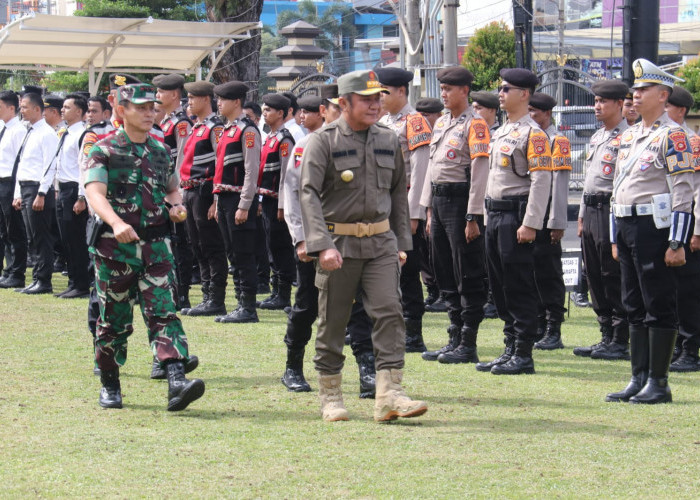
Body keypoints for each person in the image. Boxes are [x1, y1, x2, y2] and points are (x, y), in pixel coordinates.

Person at [300, 69, 427, 422]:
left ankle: (390, 393)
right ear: (344, 103)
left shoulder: (388, 139)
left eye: (378, 98)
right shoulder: (323, 141)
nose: (375, 105)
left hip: (382, 243)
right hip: (338, 243)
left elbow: (398, 193)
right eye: (367, 99)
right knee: (333, 320)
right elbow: (307, 193)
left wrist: (402, 242)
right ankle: (331, 395)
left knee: (389, 312)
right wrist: (320, 244)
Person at [84, 83, 205, 411]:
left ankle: (177, 381)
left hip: (156, 246)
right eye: (141, 108)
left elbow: (171, 187)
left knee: (164, 311)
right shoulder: (103, 149)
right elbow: (95, 193)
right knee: (114, 320)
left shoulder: (159, 148)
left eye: (152, 107)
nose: (150, 113)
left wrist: (176, 205)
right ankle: (110, 383)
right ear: (122, 110)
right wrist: (116, 222)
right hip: (115, 250)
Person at [606, 59, 694, 404]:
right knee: (633, 303)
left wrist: (677, 240)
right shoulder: (630, 135)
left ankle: (659, 381)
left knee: (658, 301)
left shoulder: (674, 136)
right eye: (635, 90)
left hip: (654, 228)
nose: (635, 95)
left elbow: (683, 191)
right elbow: (618, 187)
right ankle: (637, 376)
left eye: (643, 90)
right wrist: (615, 236)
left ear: (663, 95)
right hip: (627, 224)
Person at [476, 68, 553, 375]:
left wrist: (531, 223)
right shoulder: (502, 132)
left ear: (524, 94)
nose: (501, 94)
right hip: (495, 214)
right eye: (501, 88)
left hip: (515, 216)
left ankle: (523, 353)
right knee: (500, 284)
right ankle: (509, 348)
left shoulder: (534, 135)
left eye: (507, 89)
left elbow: (541, 181)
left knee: (518, 284)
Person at [419, 66, 490, 365]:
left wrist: (473, 216)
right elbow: (431, 169)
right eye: (442, 89)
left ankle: (468, 342)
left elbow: (479, 172)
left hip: (462, 204)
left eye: (450, 89)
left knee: (467, 273)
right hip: (440, 202)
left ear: (465, 91)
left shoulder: (476, 125)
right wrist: (428, 209)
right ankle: (453, 337)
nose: (444, 94)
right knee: (444, 270)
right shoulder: (442, 123)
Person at [573, 79, 630, 360]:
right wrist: (582, 216)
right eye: (595, 101)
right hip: (592, 210)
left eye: (603, 101)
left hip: (611, 211)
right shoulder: (597, 137)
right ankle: (605, 334)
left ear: (620, 104)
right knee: (593, 273)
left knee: (612, 273)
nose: (597, 106)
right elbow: (587, 182)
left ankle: (620, 338)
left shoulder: (627, 137)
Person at [377, 67, 431, 353]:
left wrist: (414, 214)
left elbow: (422, 170)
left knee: (408, 270)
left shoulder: (416, 122)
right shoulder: (383, 120)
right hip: (381, 206)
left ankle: (413, 333)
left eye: (385, 91)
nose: (380, 97)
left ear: (401, 91)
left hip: (404, 206)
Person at [212, 80, 261, 324]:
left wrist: (244, 204)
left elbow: (252, 171)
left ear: (236, 102)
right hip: (225, 198)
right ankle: (240, 302)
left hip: (239, 198)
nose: (218, 103)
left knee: (243, 253)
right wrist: (216, 201)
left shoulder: (247, 130)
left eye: (223, 99)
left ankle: (248, 307)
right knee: (232, 253)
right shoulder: (228, 129)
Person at [179, 80, 227, 317]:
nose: (189, 103)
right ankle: (207, 295)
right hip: (190, 191)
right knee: (197, 245)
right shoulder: (197, 126)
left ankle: (216, 298)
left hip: (204, 191)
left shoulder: (214, 128)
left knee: (211, 245)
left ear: (206, 99)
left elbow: (220, 162)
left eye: (192, 98)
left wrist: (216, 198)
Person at [527, 92, 571, 350]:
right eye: (529, 110)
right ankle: (539, 325)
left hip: (547, 216)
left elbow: (560, 184)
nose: (531, 115)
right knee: (530, 272)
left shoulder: (558, 141)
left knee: (549, 273)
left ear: (547, 113)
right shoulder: (530, 138)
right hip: (530, 213)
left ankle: (553, 328)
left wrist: (556, 221)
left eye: (535, 111)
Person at [664, 85, 700, 372]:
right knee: (671, 292)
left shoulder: (691, 141)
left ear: (681, 110)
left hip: (689, 228)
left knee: (688, 292)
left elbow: (695, 191)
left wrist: (697, 230)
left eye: (668, 106)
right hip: (668, 225)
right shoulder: (661, 137)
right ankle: (676, 345)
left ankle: (690, 349)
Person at [153, 73, 195, 311]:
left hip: (174, 193)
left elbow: (180, 160)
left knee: (180, 244)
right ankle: (171, 289)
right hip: (163, 192)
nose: (157, 96)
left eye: (161, 92)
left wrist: (175, 194)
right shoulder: (167, 122)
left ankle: (182, 294)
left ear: (174, 95)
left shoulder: (181, 124)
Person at [12, 92, 59, 294]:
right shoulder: (29, 131)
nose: (21, 111)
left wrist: (41, 193)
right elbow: (22, 164)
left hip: (38, 189)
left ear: (37, 109)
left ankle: (44, 281)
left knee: (41, 237)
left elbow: (50, 165)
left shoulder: (47, 133)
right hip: (26, 187)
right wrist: (18, 193)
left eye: (24, 107)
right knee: (32, 237)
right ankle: (36, 278)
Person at [46, 93, 90, 298]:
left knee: (76, 240)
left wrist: (82, 197)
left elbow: (85, 167)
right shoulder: (65, 132)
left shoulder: (83, 134)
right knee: (66, 240)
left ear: (79, 112)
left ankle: (81, 284)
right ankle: (73, 281)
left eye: (67, 107)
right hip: (62, 189)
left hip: (74, 190)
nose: (62, 110)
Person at [258, 93, 296, 311]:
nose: (265, 113)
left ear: (281, 113)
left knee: (280, 247)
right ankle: (274, 292)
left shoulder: (284, 139)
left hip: (278, 202)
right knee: (271, 246)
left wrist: (283, 204)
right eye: (263, 109)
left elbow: (286, 175)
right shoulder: (271, 137)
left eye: (269, 110)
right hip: (268, 200)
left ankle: (283, 294)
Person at [471, 89, 502, 321]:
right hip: (477, 199)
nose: (475, 111)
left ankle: (493, 298)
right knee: (479, 254)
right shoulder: (475, 132)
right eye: (473, 106)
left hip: (494, 201)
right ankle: (484, 295)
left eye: (479, 107)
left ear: (492, 110)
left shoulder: (499, 134)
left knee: (492, 254)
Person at [414, 96, 446, 313]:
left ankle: (443, 290)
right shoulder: (421, 135)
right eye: (421, 116)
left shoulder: (443, 134)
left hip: (444, 198)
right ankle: (432, 289)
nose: (423, 119)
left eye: (427, 116)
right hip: (423, 198)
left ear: (438, 116)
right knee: (423, 250)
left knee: (439, 249)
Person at [0, 90, 28, 290]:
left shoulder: (18, 130)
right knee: (3, 231)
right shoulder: (4, 128)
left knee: (14, 231)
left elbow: (21, 162)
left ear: (12, 108)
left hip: (10, 183)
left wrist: (16, 191)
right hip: (1, 181)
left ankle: (17, 273)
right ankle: (8, 270)